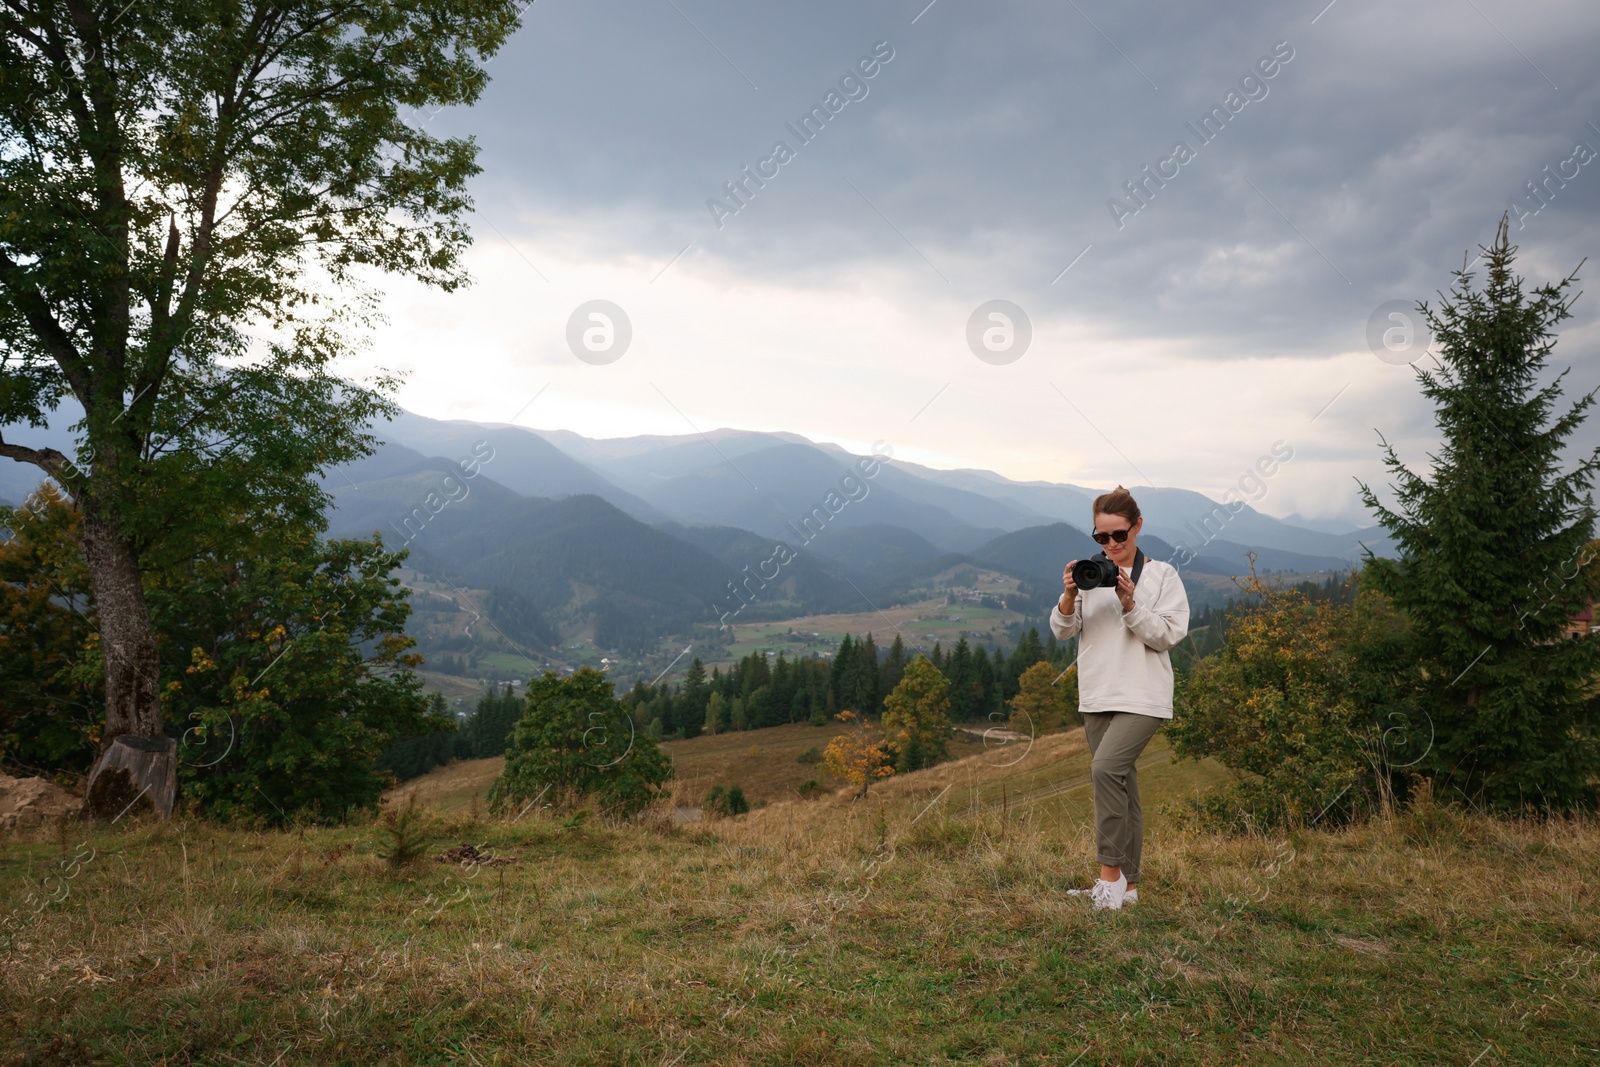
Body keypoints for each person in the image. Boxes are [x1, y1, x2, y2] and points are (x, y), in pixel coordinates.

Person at [1050, 486, 1189, 910]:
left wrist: (1130, 604)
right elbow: (1062, 630)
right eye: (1101, 537)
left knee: (1105, 770)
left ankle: (1108, 880)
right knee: (1122, 787)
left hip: (1143, 695)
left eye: (1119, 535)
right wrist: (1071, 595)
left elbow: (1168, 635)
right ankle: (1128, 890)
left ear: (1138, 527)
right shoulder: (1092, 575)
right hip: (1097, 694)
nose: (1111, 545)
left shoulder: (1163, 576)